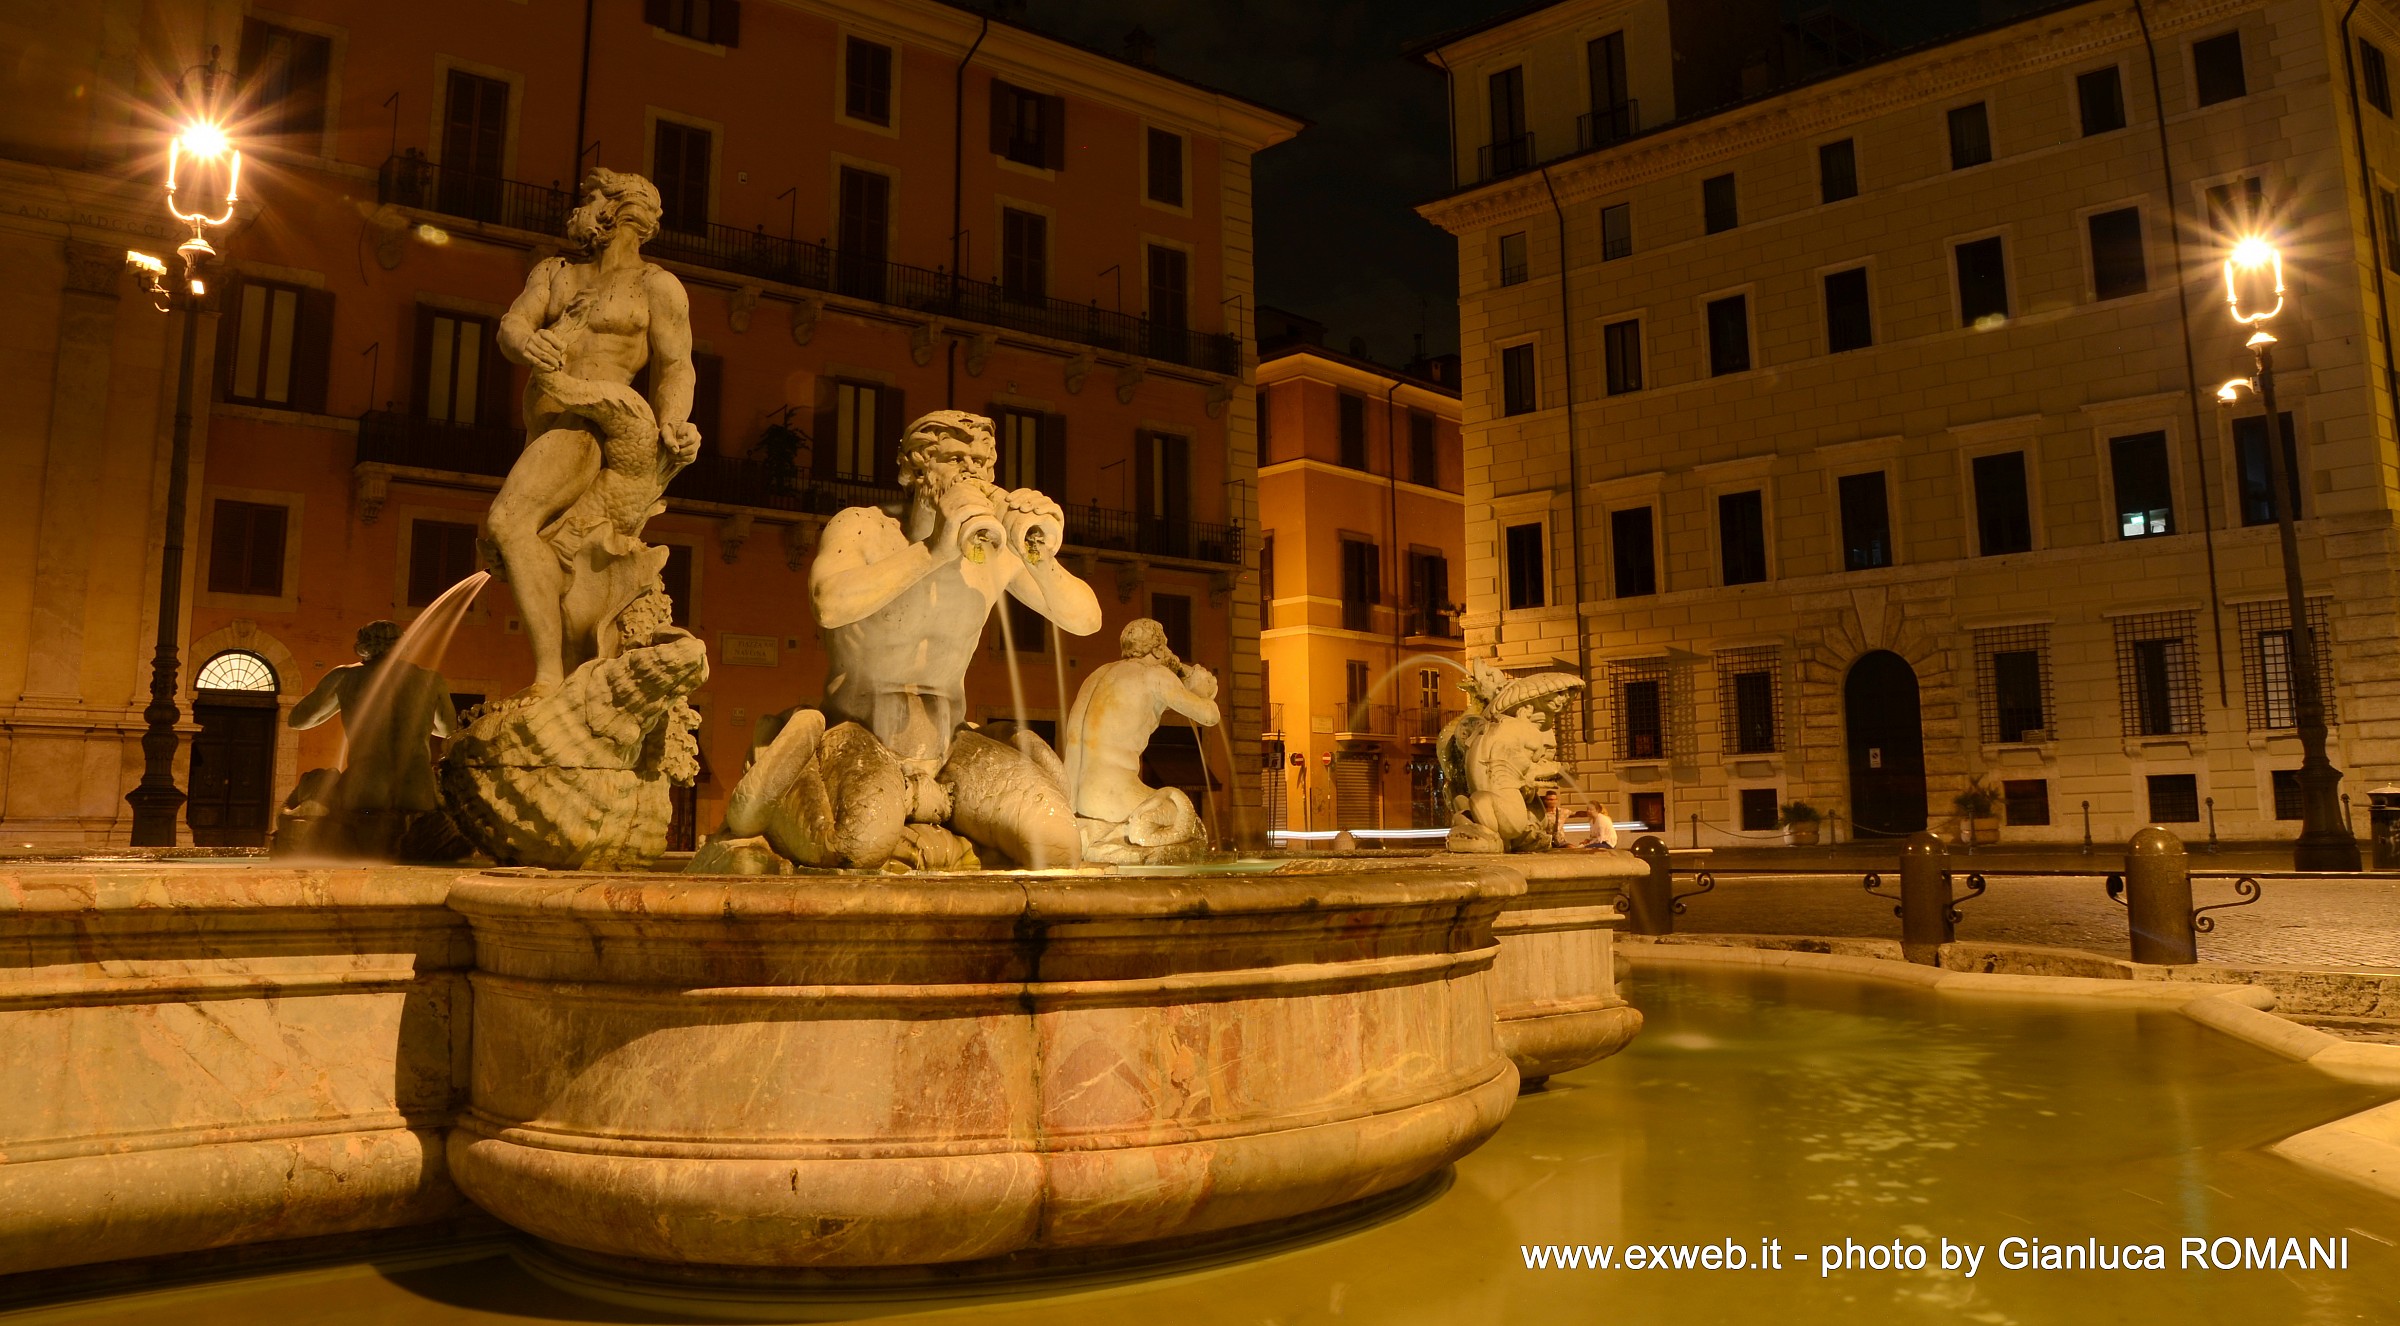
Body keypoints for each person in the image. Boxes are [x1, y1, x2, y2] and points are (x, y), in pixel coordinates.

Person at [724, 411, 1103, 870]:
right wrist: (937, 550)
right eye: (955, 459)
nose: (971, 473)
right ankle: (793, 780)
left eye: (982, 464)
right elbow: (828, 602)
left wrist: (1038, 552)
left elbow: (1087, 620)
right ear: (914, 468)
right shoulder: (863, 528)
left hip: (950, 750)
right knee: (860, 842)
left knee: (1058, 842)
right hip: (860, 737)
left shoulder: (991, 552)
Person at [491, 168, 701, 694]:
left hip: (594, 426)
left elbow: (677, 365)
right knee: (543, 545)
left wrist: (675, 422)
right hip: (548, 419)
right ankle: (573, 661)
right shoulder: (556, 273)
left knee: (509, 523)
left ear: (616, 209)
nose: (580, 207)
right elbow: (514, 324)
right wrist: (527, 345)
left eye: (590, 198)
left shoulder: (655, 287)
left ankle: (548, 678)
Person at [1061, 619, 1221, 860]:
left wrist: (1186, 683)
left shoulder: (1097, 674)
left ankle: (1098, 835)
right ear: (1157, 649)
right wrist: (1204, 689)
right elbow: (1210, 716)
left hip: (1072, 799)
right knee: (1183, 816)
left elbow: (1148, 707)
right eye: (1165, 646)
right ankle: (1141, 832)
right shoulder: (1154, 676)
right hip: (1112, 796)